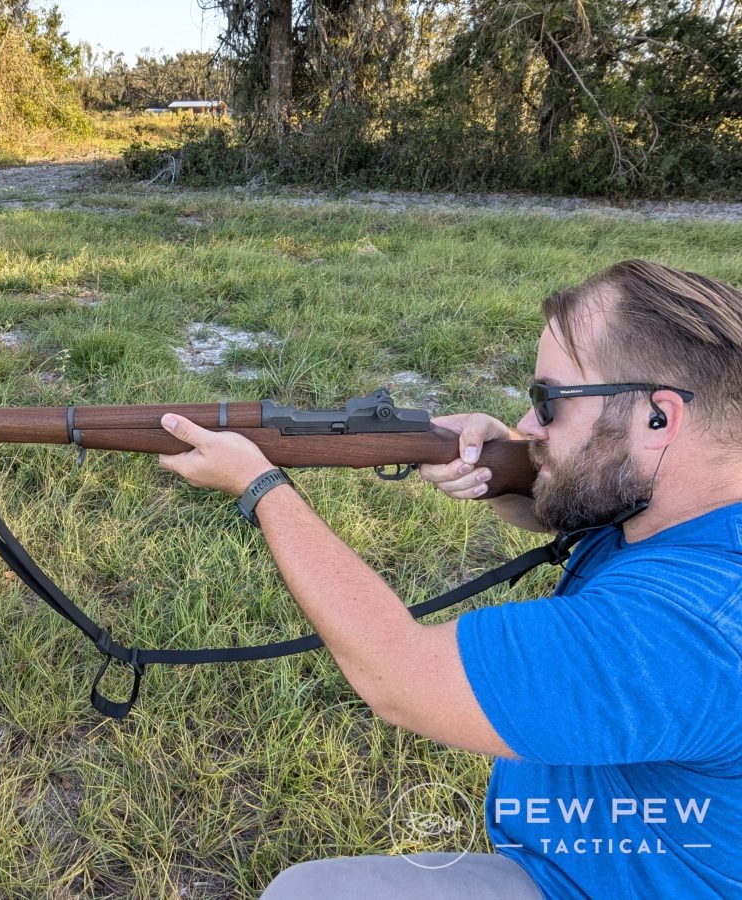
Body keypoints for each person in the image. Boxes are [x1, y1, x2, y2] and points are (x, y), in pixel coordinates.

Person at [155, 259, 742, 898]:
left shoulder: (691, 627)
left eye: (549, 401)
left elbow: (398, 677)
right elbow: (586, 513)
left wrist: (261, 485)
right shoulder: (686, 506)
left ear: (660, 418)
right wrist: (512, 471)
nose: (530, 424)